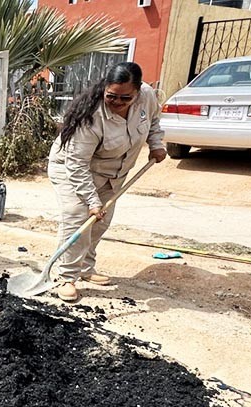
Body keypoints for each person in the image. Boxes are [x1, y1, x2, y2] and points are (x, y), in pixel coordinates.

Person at [47, 62, 167, 302]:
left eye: (125, 98)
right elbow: (77, 165)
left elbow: (153, 120)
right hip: (73, 170)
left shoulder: (146, 96)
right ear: (104, 88)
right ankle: (66, 276)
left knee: (101, 223)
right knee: (78, 219)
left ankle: (85, 269)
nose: (118, 103)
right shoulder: (90, 117)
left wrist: (156, 144)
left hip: (115, 172)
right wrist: (91, 201)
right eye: (112, 96)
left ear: (137, 92)